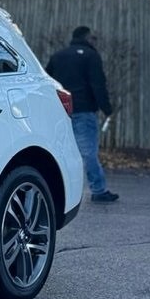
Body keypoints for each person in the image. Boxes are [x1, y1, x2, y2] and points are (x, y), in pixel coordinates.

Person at [46, 26, 119, 203]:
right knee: (88, 152)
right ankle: (99, 190)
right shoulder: (90, 56)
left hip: (61, 111)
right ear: (86, 38)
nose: (95, 41)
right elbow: (98, 85)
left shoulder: (58, 56)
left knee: (60, 152)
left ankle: (56, 192)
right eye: (93, 37)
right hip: (84, 111)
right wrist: (107, 109)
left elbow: (48, 80)